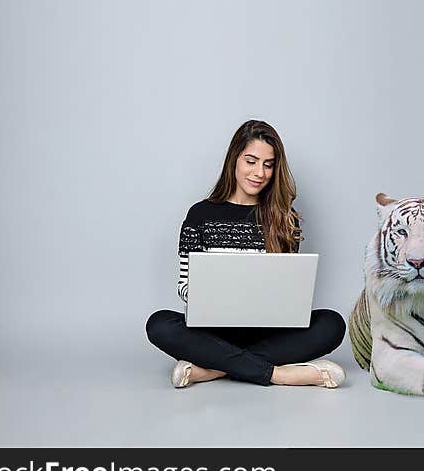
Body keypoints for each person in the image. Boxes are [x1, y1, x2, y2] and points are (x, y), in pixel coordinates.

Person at [146, 119, 347, 389]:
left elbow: (289, 291)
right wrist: (214, 294)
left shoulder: (283, 218)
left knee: (332, 324)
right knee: (159, 324)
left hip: (267, 332)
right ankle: (278, 374)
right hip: (211, 331)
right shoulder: (200, 215)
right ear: (234, 160)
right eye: (251, 161)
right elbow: (184, 285)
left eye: (268, 164)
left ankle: (213, 368)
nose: (259, 173)